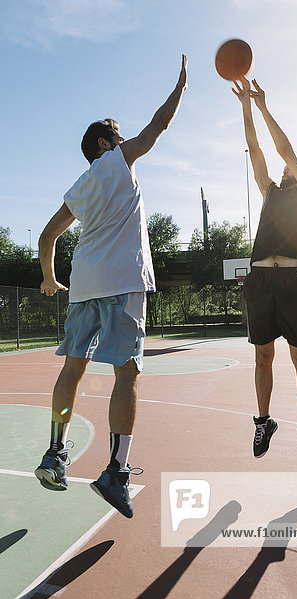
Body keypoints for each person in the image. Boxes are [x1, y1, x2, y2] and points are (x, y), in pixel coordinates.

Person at [35, 55, 188, 518]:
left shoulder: (80, 185)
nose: (125, 140)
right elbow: (157, 128)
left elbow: (47, 236)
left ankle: (55, 454)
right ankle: (116, 473)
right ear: (105, 142)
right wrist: (180, 86)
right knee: (126, 373)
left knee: (72, 371)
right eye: (118, 135)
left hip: (82, 286)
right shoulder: (117, 162)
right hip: (123, 283)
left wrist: (49, 277)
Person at [233, 77, 297, 465]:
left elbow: (284, 151)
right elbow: (255, 148)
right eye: (289, 168)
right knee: (262, 357)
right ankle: (264, 421)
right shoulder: (270, 192)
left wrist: (265, 106)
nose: (288, 169)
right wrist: (246, 107)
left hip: (291, 281)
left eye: (296, 167)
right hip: (261, 280)